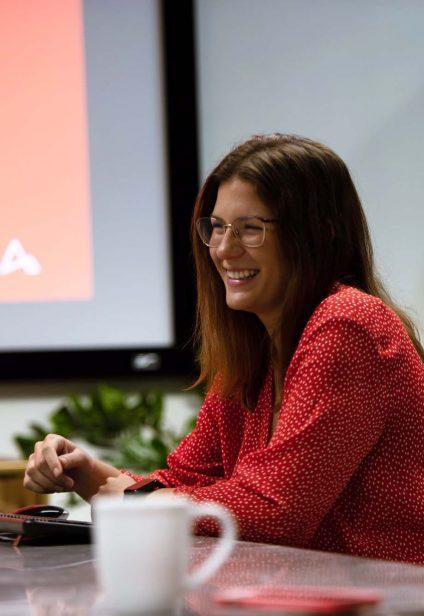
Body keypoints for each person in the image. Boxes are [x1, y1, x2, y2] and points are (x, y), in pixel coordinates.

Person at [24, 134, 424, 563]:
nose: (223, 249)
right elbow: (184, 480)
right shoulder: (256, 350)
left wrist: (141, 503)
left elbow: (276, 512)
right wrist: (87, 474)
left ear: (318, 232)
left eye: (251, 229)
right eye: (216, 227)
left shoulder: (347, 325)